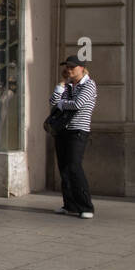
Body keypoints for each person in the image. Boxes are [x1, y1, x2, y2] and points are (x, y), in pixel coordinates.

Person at [52, 55, 97, 219]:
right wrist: (62, 84)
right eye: (67, 67)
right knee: (64, 168)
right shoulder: (69, 85)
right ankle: (69, 205)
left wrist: (62, 104)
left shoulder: (89, 85)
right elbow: (53, 100)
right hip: (62, 130)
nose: (69, 70)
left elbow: (78, 104)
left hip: (78, 131)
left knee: (74, 166)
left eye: (72, 67)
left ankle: (86, 206)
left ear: (81, 68)